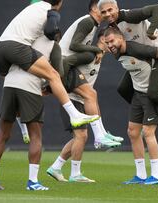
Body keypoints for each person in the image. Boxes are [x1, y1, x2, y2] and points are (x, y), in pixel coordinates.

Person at [0, 0, 99, 128]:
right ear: (59, 3)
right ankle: (74, 114)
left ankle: (22, 129)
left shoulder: (31, 9)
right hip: (16, 47)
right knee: (53, 75)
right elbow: (50, 31)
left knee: (9, 86)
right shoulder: (51, 11)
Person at [0, 35, 62, 191]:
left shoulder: (24, 40)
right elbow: (59, 73)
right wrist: (46, 89)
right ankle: (33, 182)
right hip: (30, 86)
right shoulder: (54, 46)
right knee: (35, 135)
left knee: (3, 133)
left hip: (10, 84)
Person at [104, 27, 158, 185]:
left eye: (112, 41)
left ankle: (156, 176)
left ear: (122, 38)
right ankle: (140, 175)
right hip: (138, 94)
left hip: (151, 94)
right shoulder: (116, 53)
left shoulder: (136, 48)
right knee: (132, 132)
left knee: (148, 132)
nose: (110, 45)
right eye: (107, 43)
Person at [47, 32, 111, 183]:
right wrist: (57, 87)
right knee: (81, 136)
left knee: (79, 137)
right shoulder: (90, 54)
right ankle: (75, 174)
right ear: (102, 39)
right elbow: (66, 63)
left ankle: (56, 167)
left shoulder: (98, 57)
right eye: (110, 40)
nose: (113, 45)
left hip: (81, 101)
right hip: (71, 100)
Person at [58, 0, 123, 148]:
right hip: (63, 64)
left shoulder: (92, 25)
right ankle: (99, 135)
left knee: (92, 95)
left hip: (66, 64)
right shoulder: (88, 21)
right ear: (94, 9)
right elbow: (74, 45)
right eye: (102, 9)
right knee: (91, 95)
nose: (105, 13)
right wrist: (96, 50)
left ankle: (101, 133)